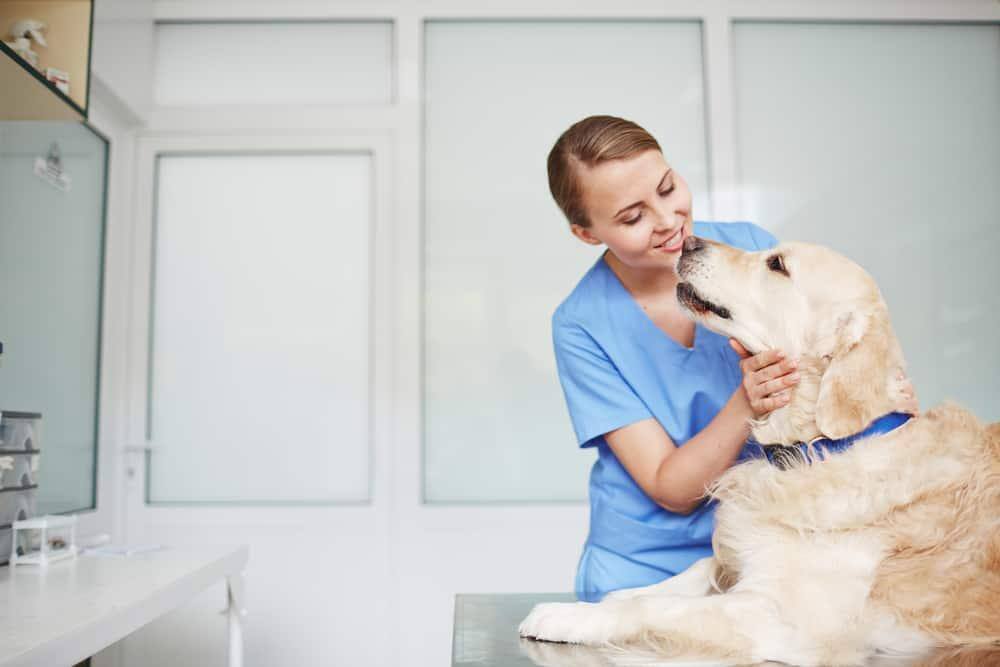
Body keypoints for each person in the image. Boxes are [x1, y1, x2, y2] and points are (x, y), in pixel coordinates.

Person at [547, 115, 916, 602]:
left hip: (770, 547)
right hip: (645, 573)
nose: (667, 220)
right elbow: (669, 488)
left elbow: (830, 387)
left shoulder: (752, 251)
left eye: (667, 187)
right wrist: (748, 403)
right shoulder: (582, 323)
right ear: (587, 234)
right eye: (633, 217)